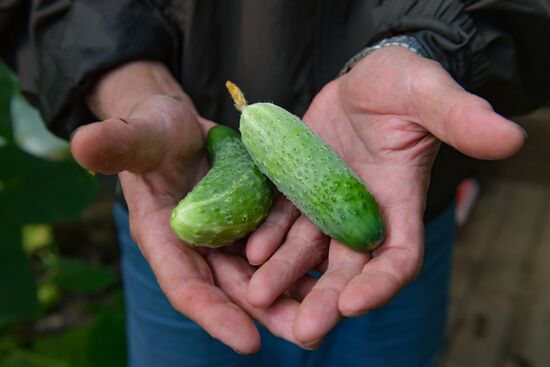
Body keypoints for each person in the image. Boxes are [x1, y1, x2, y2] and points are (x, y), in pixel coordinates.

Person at [1, 1, 549, 366]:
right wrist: (126, 80)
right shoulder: (239, 140)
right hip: (168, 179)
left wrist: (433, 42)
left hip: (405, 190)